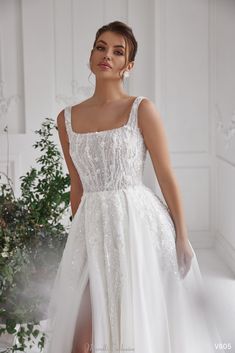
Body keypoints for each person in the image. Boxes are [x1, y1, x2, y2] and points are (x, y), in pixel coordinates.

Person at [44, 21, 224, 353]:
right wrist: (80, 235)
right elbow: (77, 185)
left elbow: (166, 175)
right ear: (91, 54)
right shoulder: (65, 119)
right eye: (100, 47)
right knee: (79, 341)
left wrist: (182, 237)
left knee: (137, 326)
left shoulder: (141, 109)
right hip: (92, 227)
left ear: (129, 66)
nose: (106, 56)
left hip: (138, 226)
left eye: (118, 51)